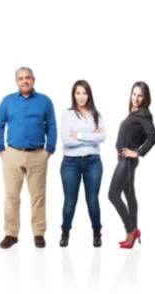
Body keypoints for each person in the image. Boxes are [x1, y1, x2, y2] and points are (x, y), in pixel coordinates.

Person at [0, 66, 57, 249]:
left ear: (34, 80)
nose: (24, 81)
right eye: (21, 78)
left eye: (27, 77)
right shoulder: (7, 101)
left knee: (38, 196)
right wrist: (1, 149)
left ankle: (38, 233)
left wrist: (49, 150)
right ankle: (11, 234)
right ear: (16, 81)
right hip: (12, 155)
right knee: (11, 196)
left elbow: (51, 126)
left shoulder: (45, 101)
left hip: (38, 155)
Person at [108, 81, 155, 249]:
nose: (136, 98)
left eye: (140, 95)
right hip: (124, 159)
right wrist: (135, 146)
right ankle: (132, 233)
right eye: (134, 94)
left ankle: (131, 230)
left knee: (113, 195)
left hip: (128, 161)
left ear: (145, 98)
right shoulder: (134, 113)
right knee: (129, 194)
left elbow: (153, 136)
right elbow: (142, 135)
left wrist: (137, 151)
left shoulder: (143, 114)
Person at [58, 80, 106, 247]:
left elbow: (103, 137)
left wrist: (77, 135)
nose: (81, 96)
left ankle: (97, 233)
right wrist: (91, 136)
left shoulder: (96, 114)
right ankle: (65, 232)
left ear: (89, 95)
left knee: (93, 200)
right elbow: (65, 140)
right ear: (73, 95)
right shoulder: (67, 114)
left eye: (84, 93)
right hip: (70, 162)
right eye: (78, 93)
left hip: (93, 162)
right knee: (70, 201)